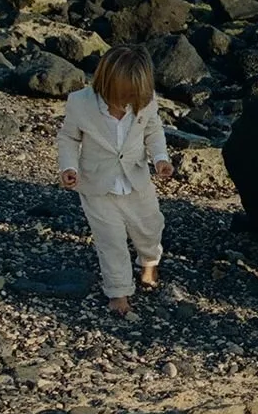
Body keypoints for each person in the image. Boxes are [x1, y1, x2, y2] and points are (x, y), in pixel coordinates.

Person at [57, 45, 172, 318]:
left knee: (150, 228)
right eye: (121, 97)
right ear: (105, 83)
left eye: (132, 97)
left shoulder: (146, 101)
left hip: (136, 180)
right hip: (97, 185)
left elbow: (153, 130)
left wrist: (160, 158)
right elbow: (69, 137)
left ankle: (149, 260)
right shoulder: (80, 102)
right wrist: (68, 167)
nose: (125, 103)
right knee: (111, 240)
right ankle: (118, 291)